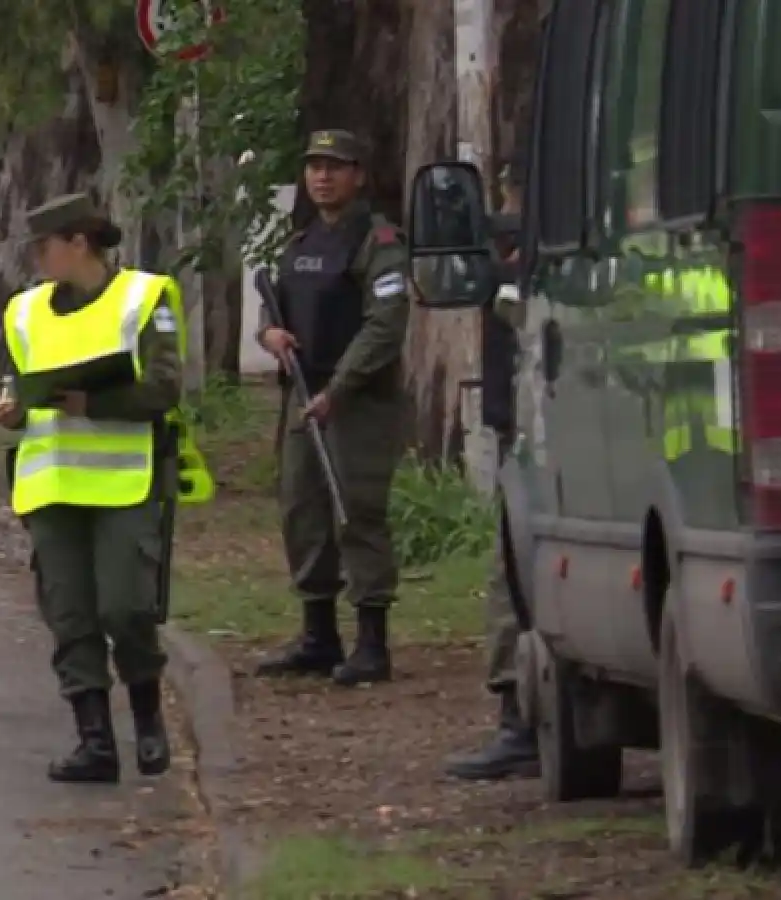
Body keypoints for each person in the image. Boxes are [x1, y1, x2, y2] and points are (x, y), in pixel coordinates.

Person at [0, 192, 212, 784]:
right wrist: (11, 409)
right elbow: (17, 381)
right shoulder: (23, 311)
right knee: (70, 615)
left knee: (126, 607)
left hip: (125, 483)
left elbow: (164, 390)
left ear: (79, 242)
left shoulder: (144, 297)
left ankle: (146, 717)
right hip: (50, 486)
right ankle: (94, 742)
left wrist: (96, 402)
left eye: (45, 246)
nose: (38, 258)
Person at [254, 129, 411, 687]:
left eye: (335, 166)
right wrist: (269, 335)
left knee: (357, 512)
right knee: (303, 512)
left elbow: (385, 325)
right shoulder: (300, 244)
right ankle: (318, 636)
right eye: (314, 166)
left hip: (356, 402)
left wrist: (337, 391)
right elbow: (276, 312)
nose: (322, 176)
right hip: (302, 394)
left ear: (358, 175)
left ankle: (372, 644)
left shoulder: (378, 240)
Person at [444, 151, 541, 780]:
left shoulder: (526, 265)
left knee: (513, 577)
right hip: (535, 429)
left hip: (536, 436)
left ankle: (522, 721)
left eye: (511, 201)